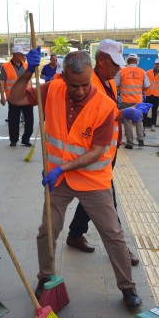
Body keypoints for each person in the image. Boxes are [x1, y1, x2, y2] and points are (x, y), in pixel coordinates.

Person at [8, 49, 143, 309]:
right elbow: (15, 99)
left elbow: (96, 152)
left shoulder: (104, 106)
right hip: (57, 179)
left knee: (113, 234)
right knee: (47, 230)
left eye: (84, 85)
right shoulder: (52, 89)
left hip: (92, 180)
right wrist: (27, 72)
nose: (79, 91)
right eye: (74, 85)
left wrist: (63, 168)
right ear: (63, 77)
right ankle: (45, 278)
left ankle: (128, 287)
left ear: (91, 76)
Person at [65, 39, 145, 267]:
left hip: (108, 150)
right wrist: (123, 114)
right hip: (94, 152)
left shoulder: (107, 80)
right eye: (114, 63)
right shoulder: (91, 83)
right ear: (101, 60)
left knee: (94, 196)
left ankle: (75, 234)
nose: (118, 68)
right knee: (107, 201)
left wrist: (125, 111)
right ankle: (120, 249)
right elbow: (92, 115)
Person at [0, 44, 35, 147]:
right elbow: (2, 81)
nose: (23, 56)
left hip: (26, 97)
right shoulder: (5, 66)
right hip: (13, 98)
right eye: (21, 54)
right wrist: (2, 96)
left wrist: (33, 93)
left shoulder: (26, 65)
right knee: (13, 121)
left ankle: (26, 139)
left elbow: (29, 81)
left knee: (29, 120)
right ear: (15, 54)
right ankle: (13, 140)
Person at [115, 54, 150, 148]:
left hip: (125, 99)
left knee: (127, 120)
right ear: (136, 61)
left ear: (127, 61)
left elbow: (115, 84)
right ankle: (141, 140)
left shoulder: (122, 71)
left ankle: (130, 143)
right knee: (139, 119)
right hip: (138, 100)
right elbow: (147, 85)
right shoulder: (142, 71)